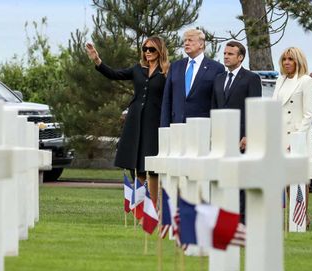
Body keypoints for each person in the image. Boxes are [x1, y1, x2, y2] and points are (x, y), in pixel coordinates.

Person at [85, 36, 170, 204]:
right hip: (135, 120)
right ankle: (139, 207)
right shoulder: (138, 69)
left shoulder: (167, 71)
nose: (147, 52)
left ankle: (153, 208)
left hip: (155, 122)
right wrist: (97, 60)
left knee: (152, 167)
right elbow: (114, 74)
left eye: (151, 49)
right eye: (145, 49)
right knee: (137, 164)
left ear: (160, 51)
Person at [212, 41, 262, 223]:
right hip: (221, 137)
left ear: (240, 57)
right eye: (225, 53)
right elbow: (214, 107)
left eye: (230, 54)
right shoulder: (218, 79)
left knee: (241, 178)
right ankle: (224, 213)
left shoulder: (251, 78)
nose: (226, 56)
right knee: (223, 177)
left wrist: (249, 135)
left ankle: (242, 219)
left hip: (242, 137)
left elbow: (255, 109)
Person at [273, 47, 312, 228]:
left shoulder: (306, 81)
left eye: (291, 59)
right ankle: (293, 214)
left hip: (298, 135)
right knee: (285, 177)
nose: (287, 62)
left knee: (299, 177)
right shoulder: (280, 80)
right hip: (280, 135)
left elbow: (308, 114)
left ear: (298, 61)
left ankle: (301, 216)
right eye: (284, 59)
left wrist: (296, 139)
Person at [160, 28, 225, 127]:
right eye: (185, 41)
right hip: (176, 125)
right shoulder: (175, 66)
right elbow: (167, 99)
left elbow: (218, 101)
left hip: (202, 126)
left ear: (201, 44)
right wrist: (164, 127)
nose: (186, 43)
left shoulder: (216, 68)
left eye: (190, 40)